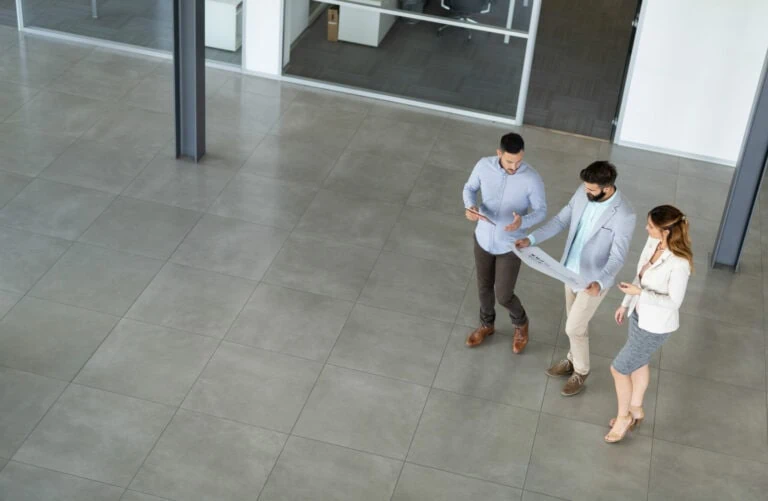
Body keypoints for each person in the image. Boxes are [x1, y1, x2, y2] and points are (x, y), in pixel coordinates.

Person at [515, 161, 635, 396]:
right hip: (569, 271)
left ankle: (581, 370)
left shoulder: (624, 214)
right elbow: (560, 221)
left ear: (607, 188)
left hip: (593, 282)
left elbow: (618, 257)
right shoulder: (583, 192)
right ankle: (572, 358)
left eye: (591, 190)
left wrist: (600, 282)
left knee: (573, 327)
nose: (586, 192)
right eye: (585, 187)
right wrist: (532, 239)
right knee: (576, 325)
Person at [605, 205, 693, 443]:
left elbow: (674, 302)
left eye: (651, 226)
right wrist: (626, 303)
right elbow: (640, 276)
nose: (646, 229)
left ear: (665, 231)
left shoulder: (680, 263)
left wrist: (639, 294)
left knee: (619, 368)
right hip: (638, 314)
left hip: (655, 326)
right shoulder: (653, 242)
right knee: (639, 361)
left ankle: (623, 417)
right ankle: (636, 409)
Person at [462, 133, 546, 353]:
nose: (514, 166)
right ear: (499, 154)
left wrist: (523, 221)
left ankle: (521, 323)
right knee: (483, 287)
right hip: (482, 238)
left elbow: (541, 210)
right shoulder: (483, 166)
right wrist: (470, 206)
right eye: (510, 161)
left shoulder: (531, 178)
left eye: (519, 161)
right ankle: (487, 325)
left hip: (510, 246)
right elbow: (469, 188)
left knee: (504, 294)